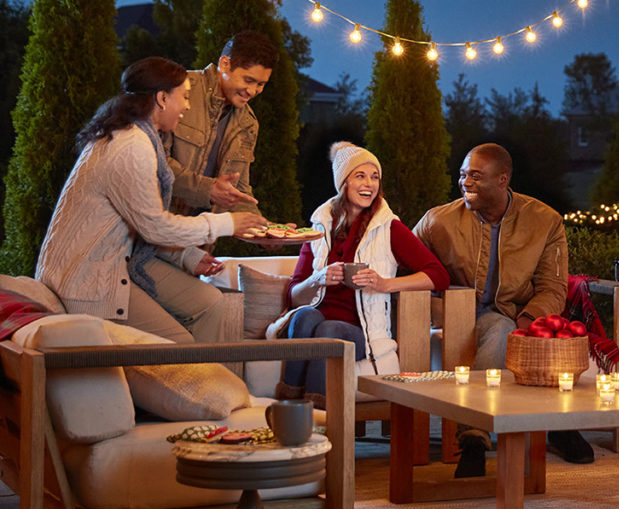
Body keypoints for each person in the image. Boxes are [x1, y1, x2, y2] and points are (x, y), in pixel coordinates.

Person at [36, 57, 267, 343]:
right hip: (90, 279)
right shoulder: (132, 146)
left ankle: (214, 385)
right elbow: (154, 226)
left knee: (210, 301)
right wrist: (226, 223)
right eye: (183, 97)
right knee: (179, 346)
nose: (186, 106)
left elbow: (139, 223)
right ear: (161, 98)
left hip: (124, 260)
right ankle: (200, 383)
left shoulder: (137, 136)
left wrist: (187, 255)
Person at [413, 143, 593, 478]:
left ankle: (559, 425)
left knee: (542, 338)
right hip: (461, 314)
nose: (465, 181)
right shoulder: (438, 221)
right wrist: (439, 306)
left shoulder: (544, 221)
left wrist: (528, 323)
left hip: (516, 313)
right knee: (501, 332)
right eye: (463, 174)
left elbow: (553, 287)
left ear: (503, 179)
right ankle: (473, 440)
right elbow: (405, 270)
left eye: (476, 176)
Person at [270, 142, 449, 407]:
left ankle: (315, 417)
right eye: (360, 175)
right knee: (306, 316)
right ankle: (292, 400)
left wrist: (385, 284)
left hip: (363, 332)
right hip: (314, 321)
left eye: (375, 176)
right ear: (343, 182)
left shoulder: (389, 228)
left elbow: (438, 275)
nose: (369, 184)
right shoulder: (319, 228)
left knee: (328, 330)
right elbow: (295, 297)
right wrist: (317, 279)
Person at [165, 30, 278, 215]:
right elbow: (154, 163)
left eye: (260, 84)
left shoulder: (248, 123)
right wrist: (207, 189)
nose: (252, 91)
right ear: (225, 64)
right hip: (154, 229)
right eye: (248, 80)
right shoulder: (179, 90)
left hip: (203, 238)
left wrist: (262, 229)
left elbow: (238, 190)